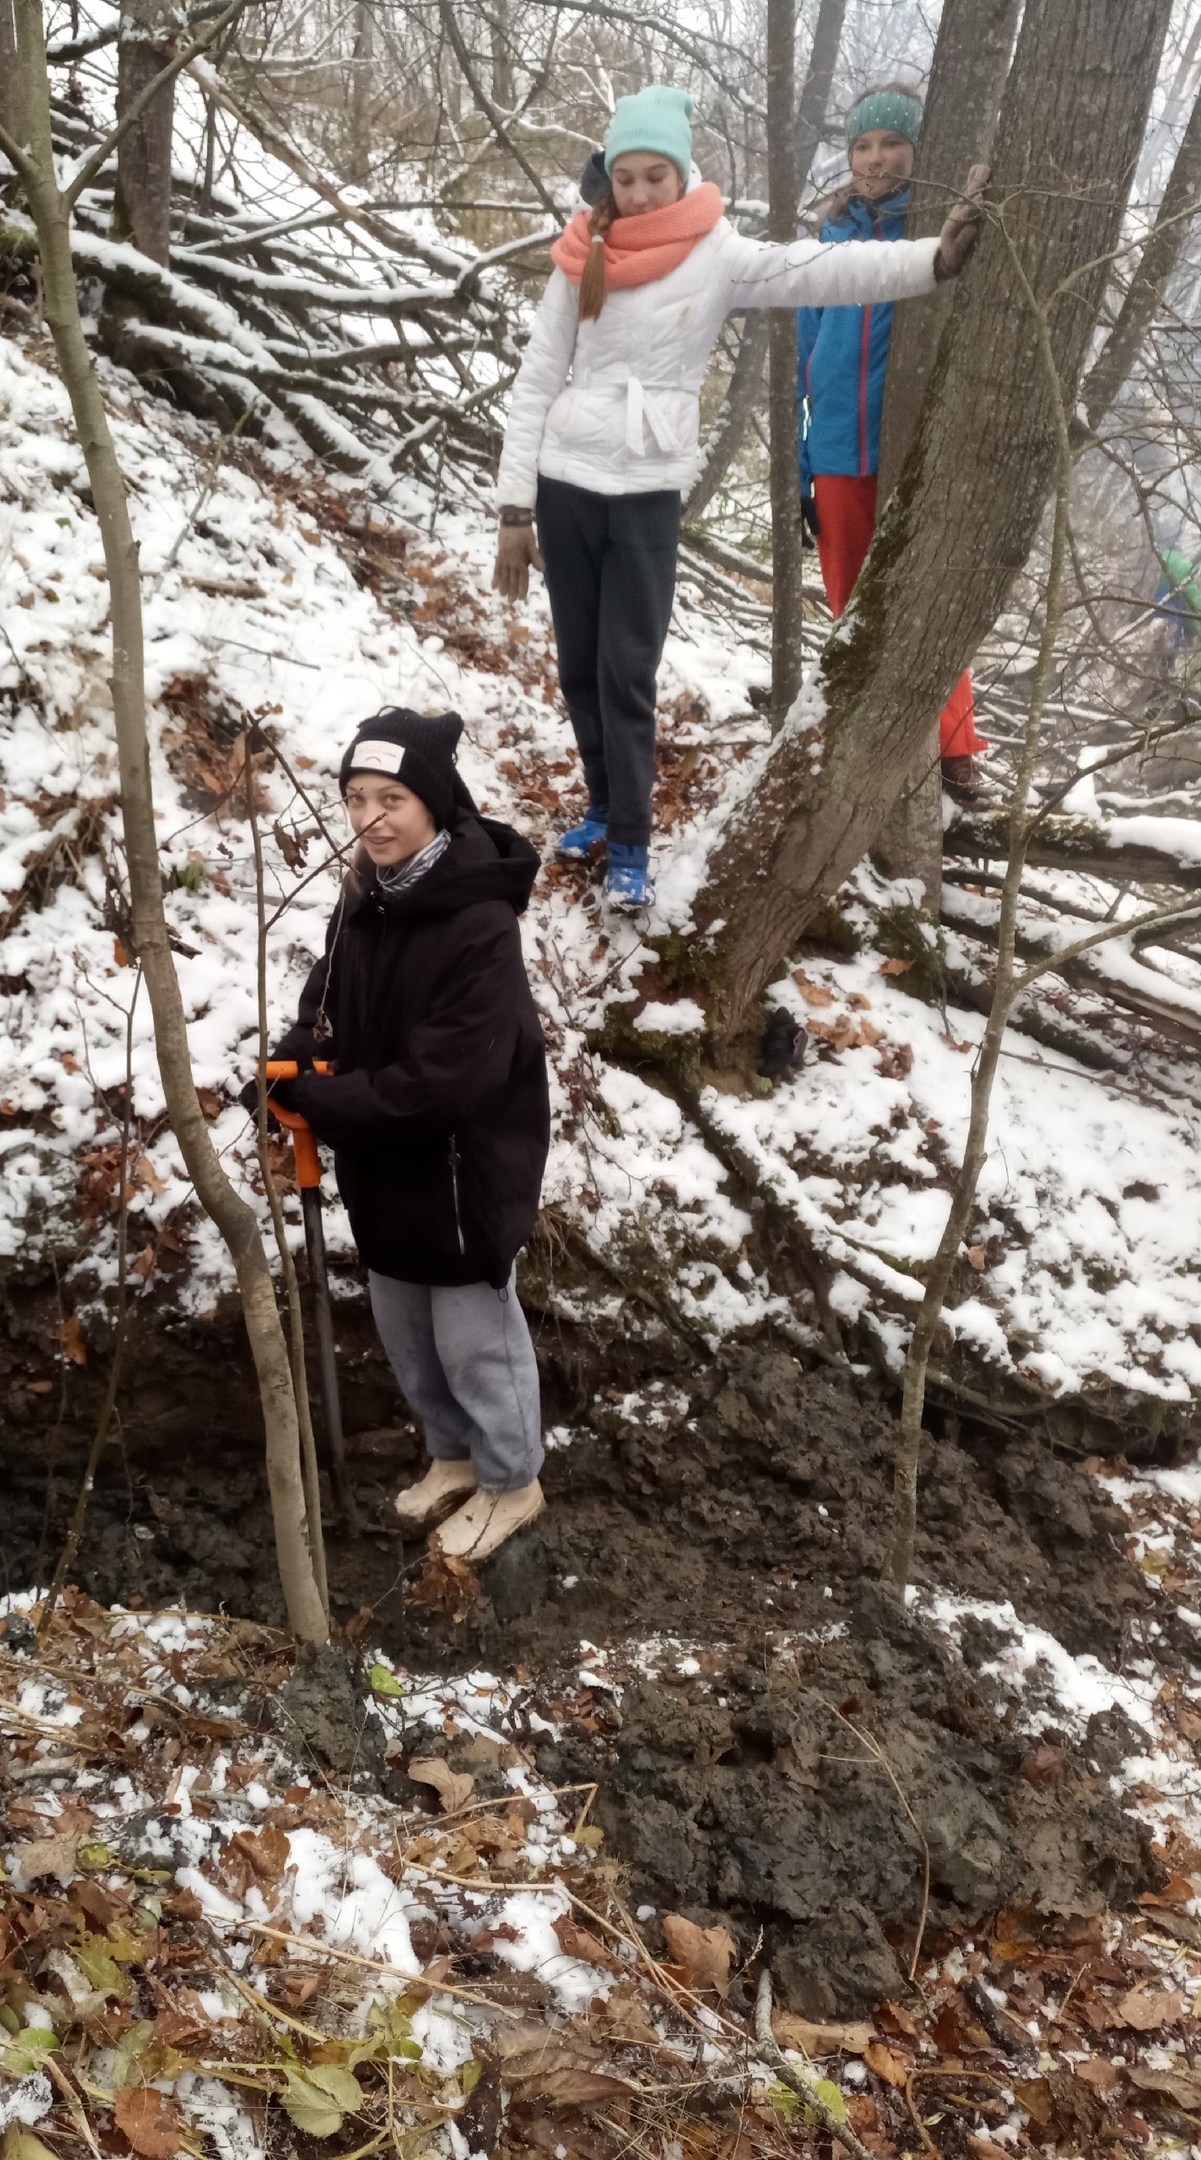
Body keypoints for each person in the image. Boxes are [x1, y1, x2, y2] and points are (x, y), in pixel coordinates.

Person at [494, 83, 984, 910]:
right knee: (579, 665)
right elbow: (538, 377)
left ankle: (631, 847)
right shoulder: (582, 252)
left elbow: (825, 268)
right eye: (628, 176)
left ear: (683, 176)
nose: (641, 191)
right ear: (608, 177)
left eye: (657, 174)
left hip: (647, 489)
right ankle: (603, 805)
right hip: (565, 482)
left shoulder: (715, 253)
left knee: (627, 671)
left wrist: (932, 259)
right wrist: (514, 510)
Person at [265, 709, 550, 1565]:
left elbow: (449, 1083)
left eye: (391, 798)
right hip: (386, 1158)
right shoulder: (367, 896)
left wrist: (328, 1104)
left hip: (461, 1168)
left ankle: (513, 1481)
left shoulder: (478, 922)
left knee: (473, 1342)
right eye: (356, 798)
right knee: (407, 1333)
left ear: (433, 800)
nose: (370, 818)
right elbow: (332, 998)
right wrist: (300, 1052)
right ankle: (453, 1455)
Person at [797, 84, 987, 805]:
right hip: (840, 453)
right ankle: (868, 750)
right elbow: (805, 368)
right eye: (863, 145)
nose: (877, 158)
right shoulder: (829, 239)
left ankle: (956, 753)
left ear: (917, 149)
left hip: (914, 448)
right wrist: (803, 467)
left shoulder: (937, 229)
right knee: (853, 608)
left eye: (892, 143)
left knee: (929, 605)